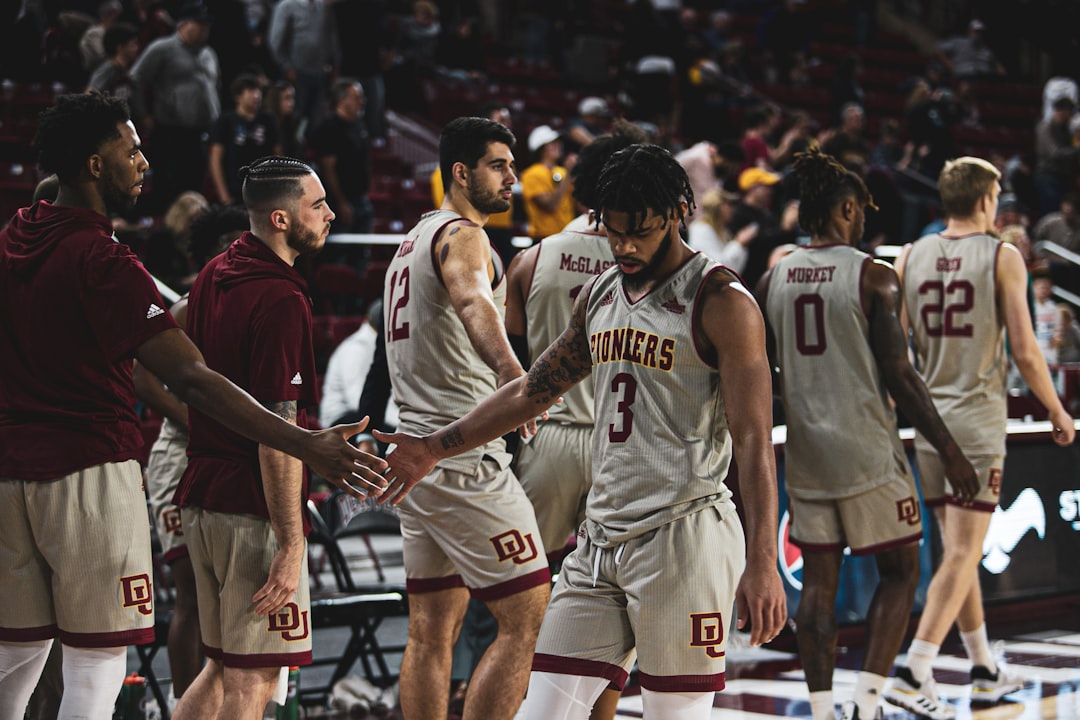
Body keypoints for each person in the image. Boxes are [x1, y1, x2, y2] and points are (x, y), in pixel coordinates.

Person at [0, 93, 383, 720]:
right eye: (131, 151)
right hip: (91, 470)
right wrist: (306, 445)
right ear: (95, 166)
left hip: (16, 472)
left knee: (16, 655)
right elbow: (193, 378)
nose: (144, 162)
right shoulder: (107, 261)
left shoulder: (14, 237)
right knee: (102, 660)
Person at [375, 143, 787, 719]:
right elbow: (530, 391)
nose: (623, 246)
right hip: (600, 539)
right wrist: (433, 449)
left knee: (675, 713)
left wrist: (763, 559)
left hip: (683, 534)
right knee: (543, 710)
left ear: (679, 209)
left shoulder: (722, 301)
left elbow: (753, 440)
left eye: (638, 232)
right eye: (613, 231)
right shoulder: (601, 291)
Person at [757, 147, 978, 720]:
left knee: (820, 585)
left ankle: (824, 708)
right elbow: (901, 379)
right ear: (848, 208)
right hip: (867, 451)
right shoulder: (873, 276)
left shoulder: (772, 276)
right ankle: (869, 700)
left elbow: (770, 374)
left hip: (805, 453)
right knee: (902, 571)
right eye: (861, 212)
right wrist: (951, 452)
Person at [375, 116, 552, 720]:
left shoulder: (408, 243)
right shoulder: (464, 236)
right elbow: (474, 299)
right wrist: (511, 372)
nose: (513, 180)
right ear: (461, 172)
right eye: (499, 166)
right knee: (528, 613)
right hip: (460, 454)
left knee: (430, 631)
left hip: (416, 458)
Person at [885, 156, 1075, 717]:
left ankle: (984, 668)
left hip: (928, 419)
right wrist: (1057, 410)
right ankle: (913, 669)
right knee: (965, 551)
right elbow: (1024, 348)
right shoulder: (1002, 255)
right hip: (975, 421)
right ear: (987, 200)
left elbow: (896, 354)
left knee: (955, 555)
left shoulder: (910, 256)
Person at [170, 156, 346, 719]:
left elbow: (156, 363)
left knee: (220, 667)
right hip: (250, 507)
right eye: (317, 205)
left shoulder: (214, 274)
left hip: (200, 494)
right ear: (279, 217)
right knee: (254, 679)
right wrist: (293, 544)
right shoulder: (280, 298)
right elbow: (279, 433)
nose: (330, 214)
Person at [503, 123, 648, 720]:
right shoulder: (650, 262)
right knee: (618, 609)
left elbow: (508, 370)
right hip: (624, 445)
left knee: (522, 613)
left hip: (547, 437)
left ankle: (516, 704)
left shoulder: (532, 258)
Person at [134, 203, 250, 707]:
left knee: (233, 594)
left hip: (227, 457)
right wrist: (194, 419)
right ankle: (185, 708)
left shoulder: (254, 301)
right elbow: (141, 376)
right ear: (209, 251)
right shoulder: (188, 304)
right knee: (192, 596)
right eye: (230, 241)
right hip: (179, 457)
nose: (240, 247)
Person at [130, 1, 220, 214]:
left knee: (195, 184)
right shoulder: (163, 48)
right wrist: (144, 115)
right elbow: (136, 80)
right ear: (183, 24)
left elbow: (216, 86)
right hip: (171, 129)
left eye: (206, 25)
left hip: (201, 130)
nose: (204, 29)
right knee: (169, 186)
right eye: (199, 24)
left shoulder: (209, 53)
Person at [319, 298, 399, 430]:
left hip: (365, 414)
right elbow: (358, 400)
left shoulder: (378, 344)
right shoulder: (356, 348)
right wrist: (399, 423)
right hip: (340, 420)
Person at [309, 78, 373, 235]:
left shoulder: (360, 126)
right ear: (341, 99)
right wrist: (341, 202)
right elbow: (328, 169)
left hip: (361, 198)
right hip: (339, 202)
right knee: (339, 250)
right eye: (356, 97)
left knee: (362, 251)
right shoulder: (329, 128)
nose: (361, 101)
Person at [267, 0, 340, 135]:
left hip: (320, 71)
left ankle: (313, 152)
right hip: (296, 73)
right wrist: (286, 65)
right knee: (295, 117)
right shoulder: (287, 6)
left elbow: (332, 36)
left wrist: (335, 64)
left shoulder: (324, 7)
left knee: (317, 118)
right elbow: (275, 40)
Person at [208, 73, 281, 206]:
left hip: (263, 191)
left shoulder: (268, 120)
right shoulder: (225, 121)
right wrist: (224, 196)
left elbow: (277, 155)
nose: (256, 96)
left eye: (258, 91)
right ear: (238, 97)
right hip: (234, 190)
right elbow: (215, 159)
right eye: (251, 91)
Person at [521, 124, 576, 242]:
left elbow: (577, 202)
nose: (557, 145)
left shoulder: (562, 171)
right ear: (540, 148)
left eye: (557, 142)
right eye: (552, 143)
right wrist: (568, 175)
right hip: (543, 238)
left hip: (567, 236)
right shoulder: (531, 174)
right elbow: (550, 206)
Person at [688, 187, 757, 273]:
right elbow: (717, 267)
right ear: (720, 207)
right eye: (729, 205)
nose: (732, 210)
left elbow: (734, 270)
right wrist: (739, 243)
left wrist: (740, 244)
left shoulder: (722, 230)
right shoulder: (701, 230)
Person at [85, 21, 143, 119]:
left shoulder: (126, 70)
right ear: (120, 48)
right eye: (133, 45)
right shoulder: (108, 69)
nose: (136, 49)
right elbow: (89, 95)